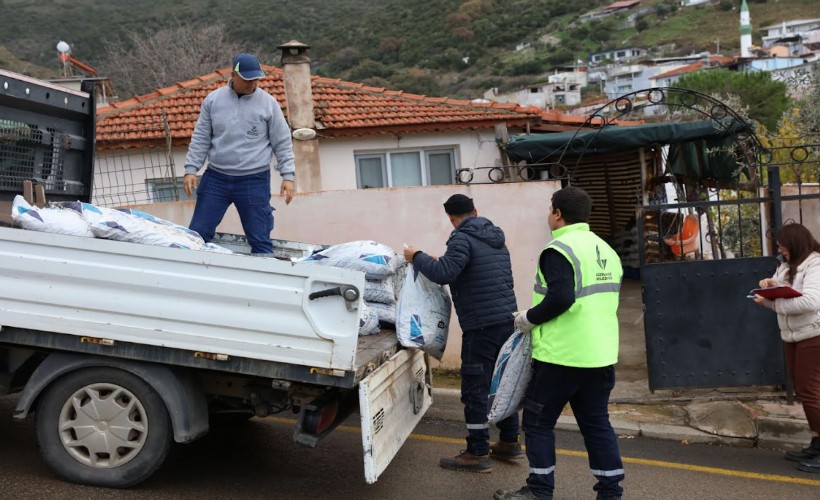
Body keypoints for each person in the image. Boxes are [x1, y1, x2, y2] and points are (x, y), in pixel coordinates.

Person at [495, 186, 624, 500]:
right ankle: (610, 492)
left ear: (557, 213)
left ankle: (539, 491)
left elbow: (562, 297)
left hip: (562, 357)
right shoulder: (605, 249)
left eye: (550, 209)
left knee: (538, 423)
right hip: (600, 356)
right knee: (596, 424)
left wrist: (528, 318)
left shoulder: (559, 249)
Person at [403, 193, 521, 473]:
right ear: (476, 211)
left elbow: (444, 273)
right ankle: (509, 441)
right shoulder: (494, 238)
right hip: (506, 321)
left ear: (452, 219)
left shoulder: (461, 238)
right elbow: (463, 268)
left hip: (481, 326)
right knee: (502, 383)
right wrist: (439, 260)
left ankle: (477, 452)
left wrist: (416, 256)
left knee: (475, 390)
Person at [183, 53, 296, 254]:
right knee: (197, 233)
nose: (252, 84)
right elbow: (201, 137)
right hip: (216, 178)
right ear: (234, 74)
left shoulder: (268, 103)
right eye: (247, 79)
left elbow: (282, 141)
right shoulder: (213, 100)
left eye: (256, 79)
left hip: (254, 180)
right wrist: (191, 169)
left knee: (260, 239)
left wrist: (288, 176)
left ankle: (264, 279)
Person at [753, 223, 820, 473]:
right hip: (792, 335)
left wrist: (775, 302)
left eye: (783, 246)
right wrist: (770, 285)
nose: (781, 251)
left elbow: (812, 301)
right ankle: (816, 443)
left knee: (810, 390)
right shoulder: (786, 265)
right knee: (804, 390)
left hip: (813, 333)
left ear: (796, 244)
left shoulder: (815, 264)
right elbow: (783, 294)